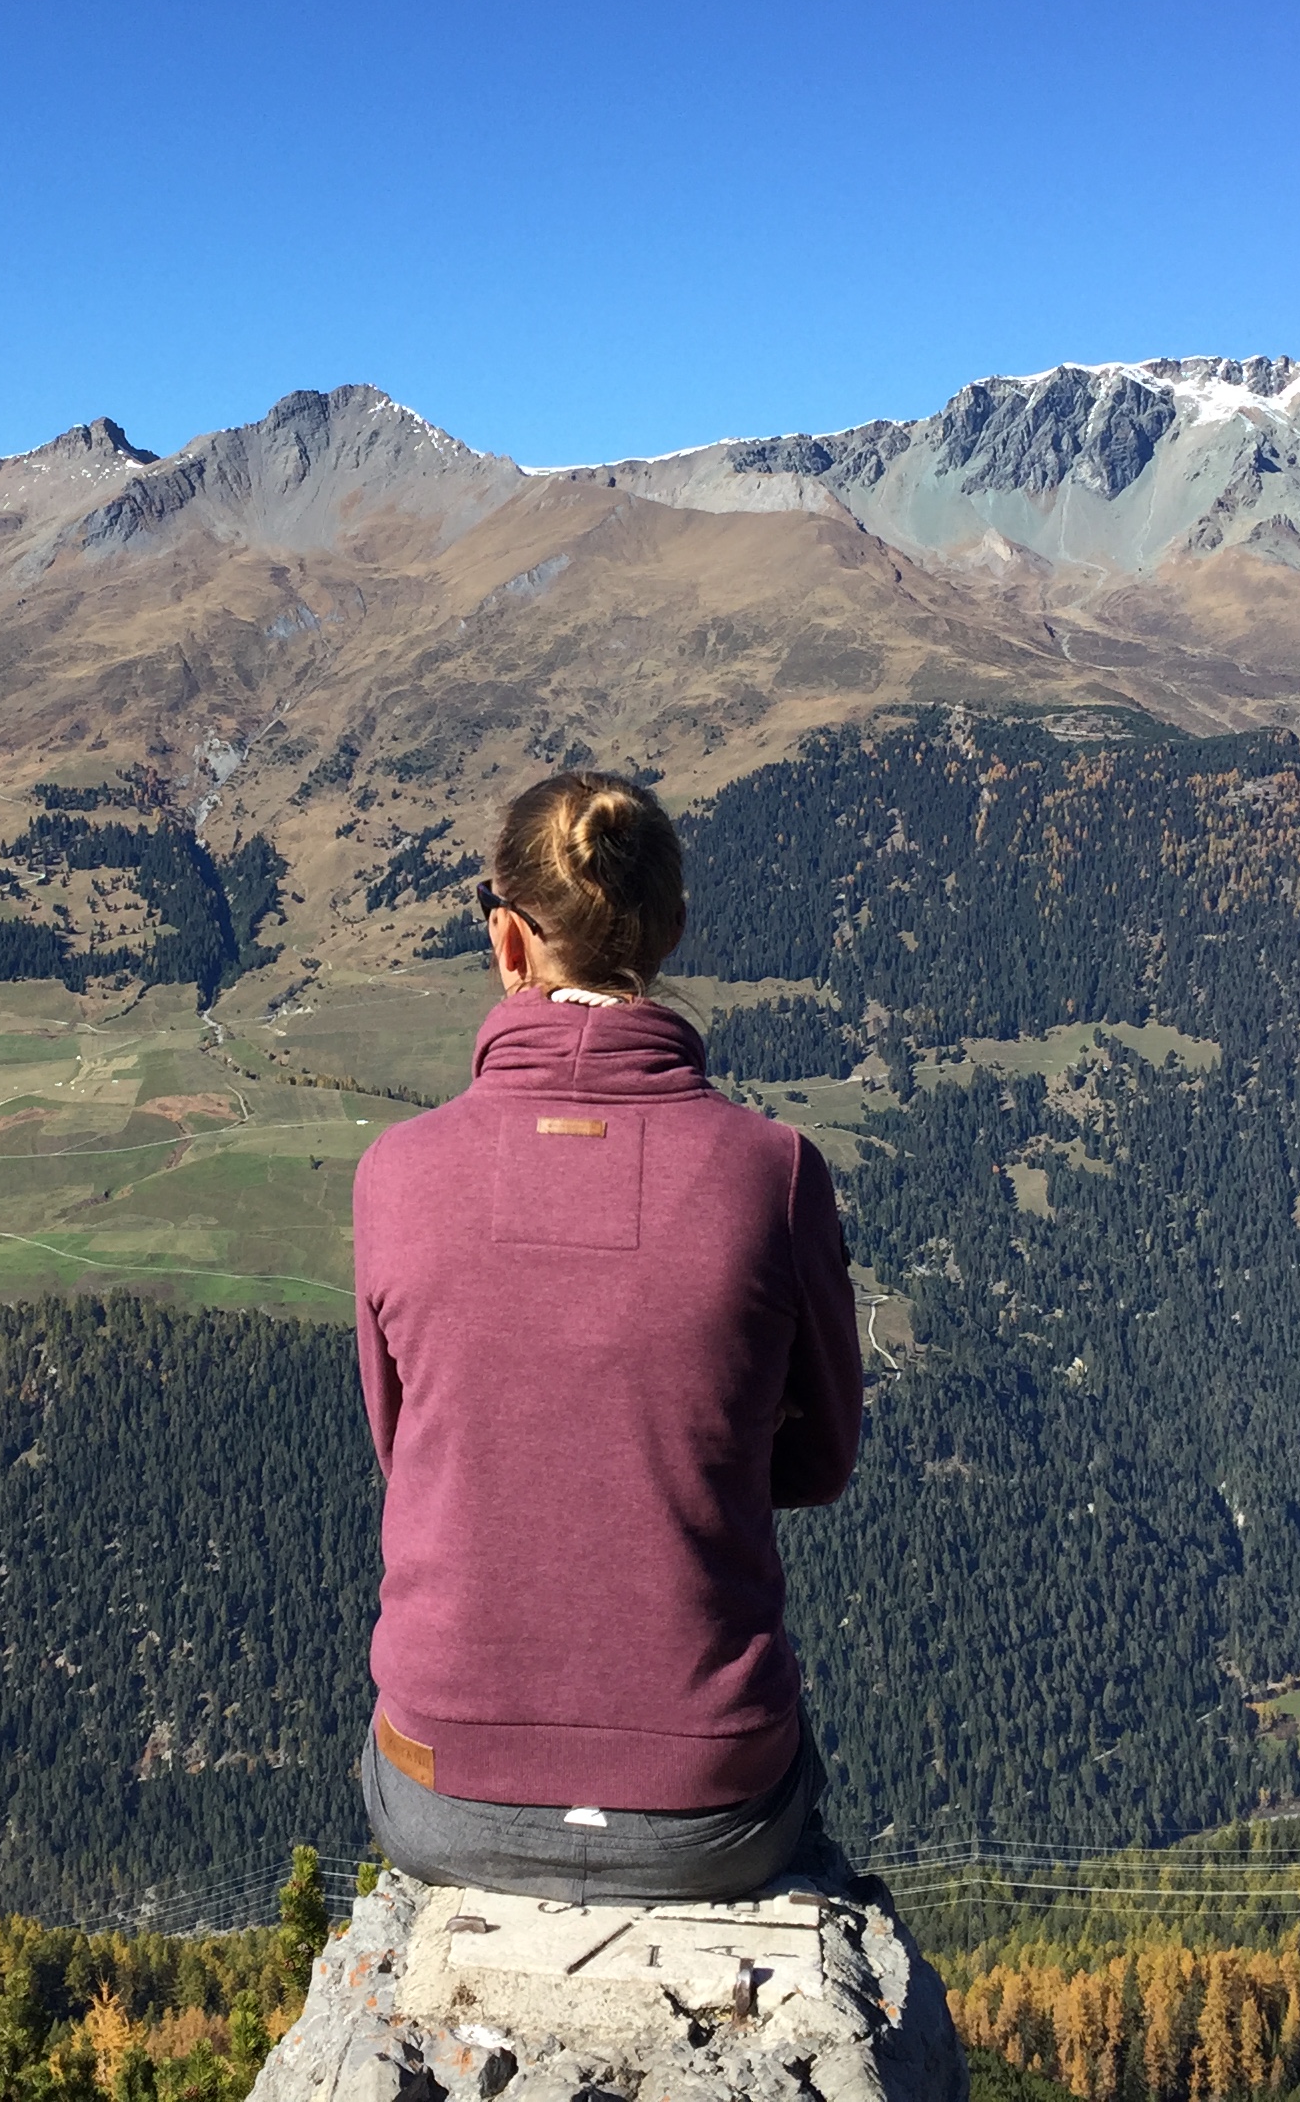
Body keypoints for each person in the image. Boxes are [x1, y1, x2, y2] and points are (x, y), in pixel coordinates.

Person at [350, 770, 862, 1902]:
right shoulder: (772, 1176)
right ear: (672, 930)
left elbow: (409, 1454)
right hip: (710, 1804)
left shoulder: (396, 1176)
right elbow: (822, 1464)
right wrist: (695, 1443)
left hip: (444, 1792)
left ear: (506, 942)